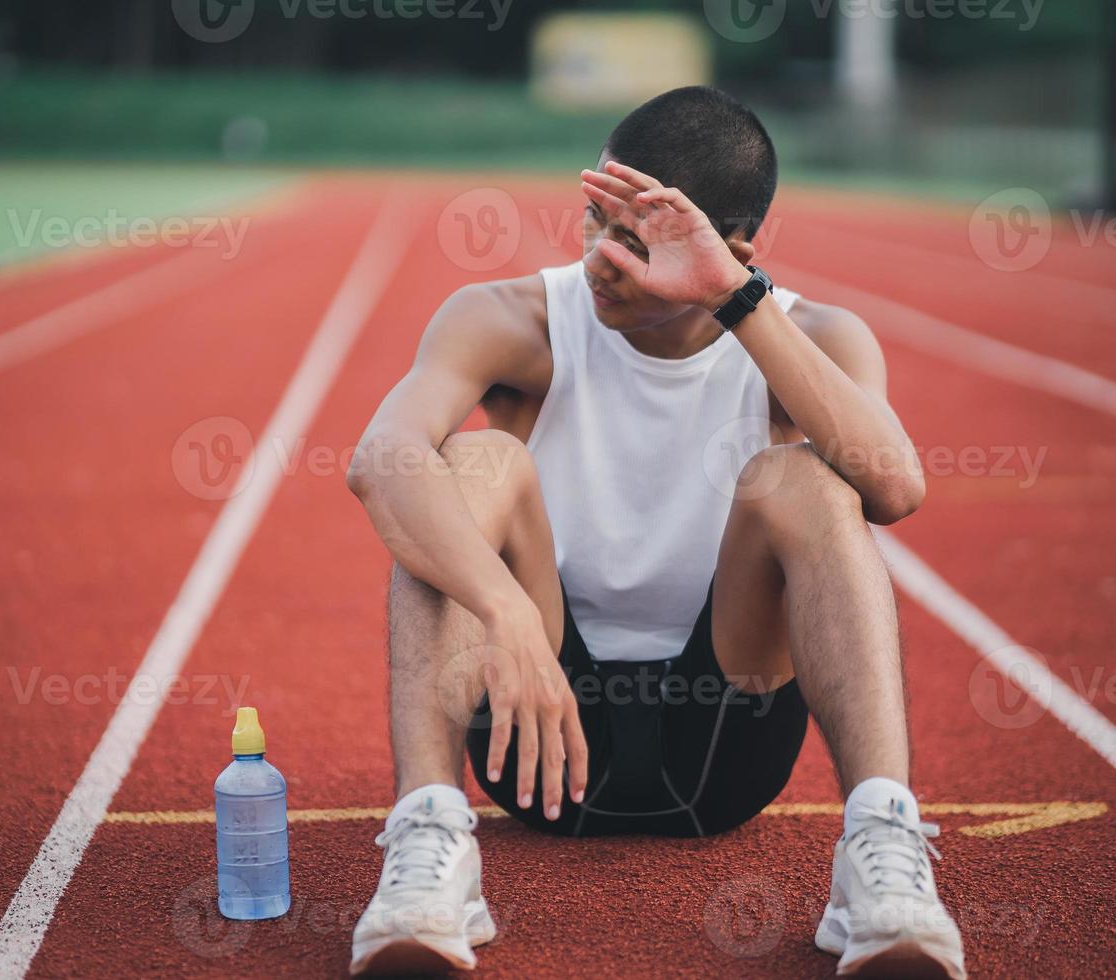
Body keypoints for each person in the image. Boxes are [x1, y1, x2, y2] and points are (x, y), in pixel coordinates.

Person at [344, 86, 964, 979]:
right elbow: (382, 459)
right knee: (475, 466)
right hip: (535, 734)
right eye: (595, 219)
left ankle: (882, 856)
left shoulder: (817, 336)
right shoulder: (511, 318)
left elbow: (896, 487)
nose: (600, 256)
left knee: (805, 485)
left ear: (731, 251)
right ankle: (430, 846)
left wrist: (736, 303)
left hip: (727, 745)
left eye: (636, 242)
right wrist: (502, 612)